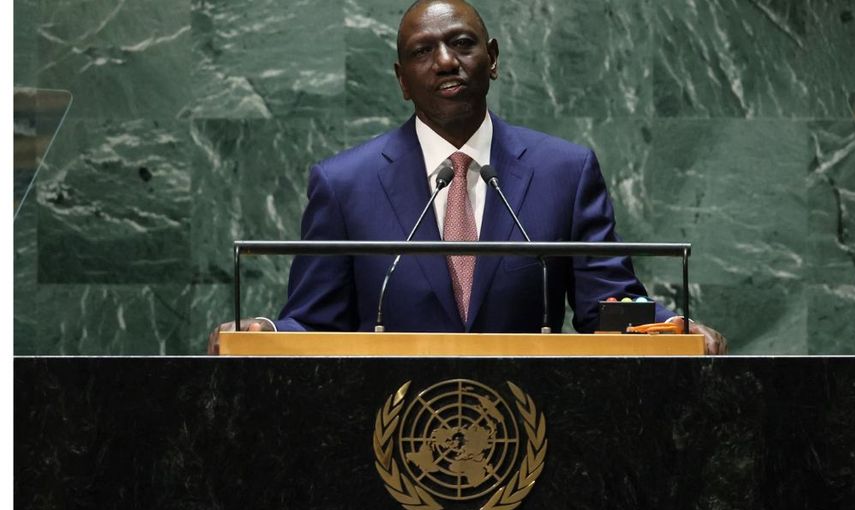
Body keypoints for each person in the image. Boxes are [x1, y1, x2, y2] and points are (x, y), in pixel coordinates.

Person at [209, 0, 727, 354]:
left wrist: (673, 329)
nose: (444, 62)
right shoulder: (344, 184)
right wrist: (263, 332)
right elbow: (315, 320)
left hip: (532, 424)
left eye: (462, 44)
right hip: (392, 427)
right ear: (402, 80)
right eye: (422, 52)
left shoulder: (564, 172)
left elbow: (606, 304)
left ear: (492, 59)